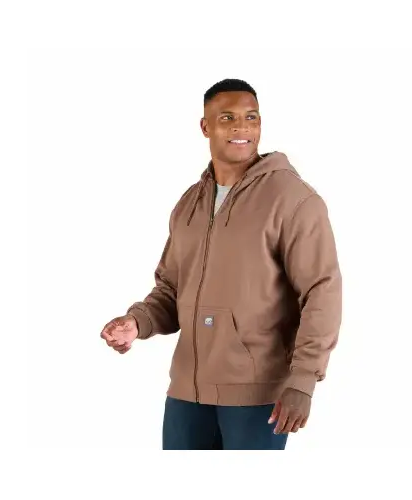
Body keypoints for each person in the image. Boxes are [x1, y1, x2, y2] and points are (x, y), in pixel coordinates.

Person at [100, 78, 342, 450]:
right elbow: (171, 289)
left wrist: (303, 380)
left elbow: (321, 291)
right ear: (205, 126)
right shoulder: (191, 203)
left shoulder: (293, 199)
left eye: (251, 117)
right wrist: (137, 323)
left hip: (258, 397)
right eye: (227, 117)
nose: (241, 127)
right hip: (186, 393)